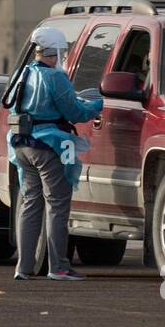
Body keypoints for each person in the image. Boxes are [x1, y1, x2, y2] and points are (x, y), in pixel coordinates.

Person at [8, 26, 103, 281]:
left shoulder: (23, 72)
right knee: (57, 206)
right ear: (56, 52)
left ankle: (24, 267)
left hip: (21, 146)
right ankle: (58, 267)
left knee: (30, 205)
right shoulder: (56, 78)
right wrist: (98, 104)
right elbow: (75, 113)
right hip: (49, 146)